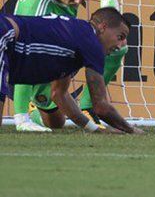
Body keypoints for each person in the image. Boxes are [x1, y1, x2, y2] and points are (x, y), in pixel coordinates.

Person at [12, 0, 124, 132]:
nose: (80, 1)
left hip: (60, 34)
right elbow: (22, 57)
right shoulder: (35, 8)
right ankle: (28, 111)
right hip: (36, 56)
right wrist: (20, 119)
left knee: (116, 45)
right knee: (57, 123)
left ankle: (89, 106)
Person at [0, 8, 140, 134]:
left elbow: (59, 95)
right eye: (120, 37)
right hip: (5, 34)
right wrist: (130, 129)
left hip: (6, 34)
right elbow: (101, 106)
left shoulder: (73, 40)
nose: (122, 45)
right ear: (103, 27)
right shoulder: (92, 42)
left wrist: (94, 129)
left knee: (57, 121)